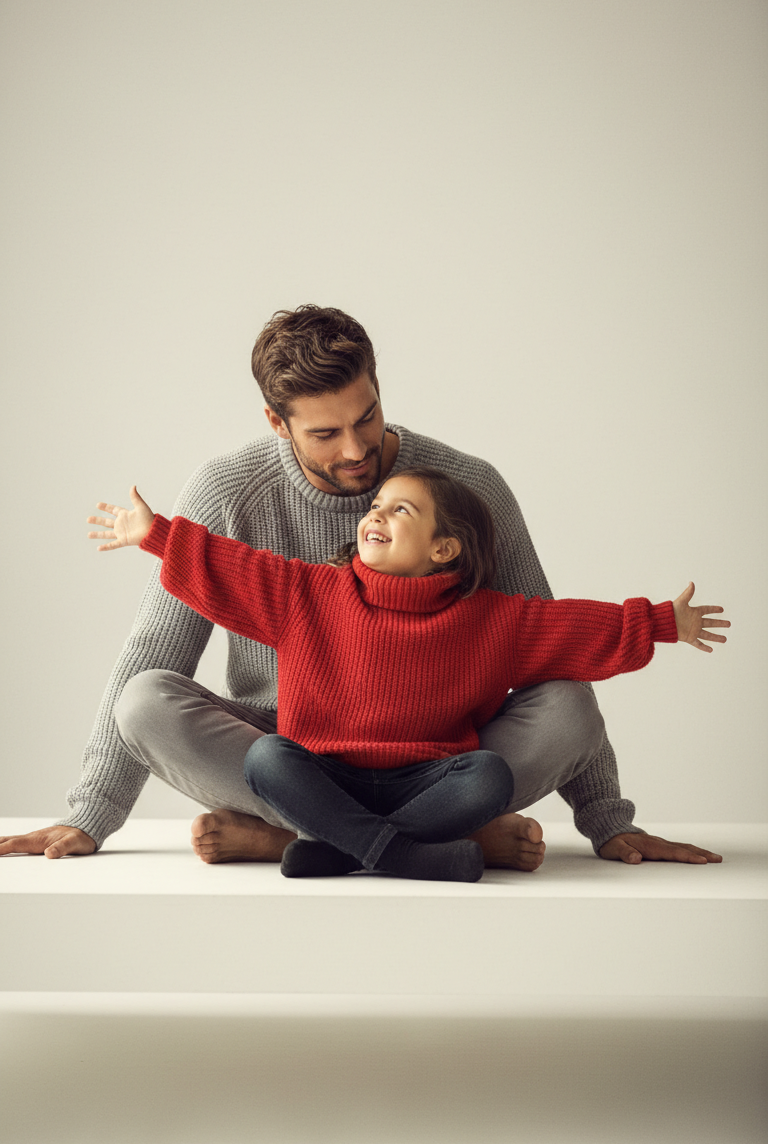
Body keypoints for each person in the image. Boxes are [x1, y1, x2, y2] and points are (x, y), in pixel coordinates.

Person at [0, 305, 724, 869]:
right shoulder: (228, 491)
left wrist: (609, 824)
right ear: (276, 423)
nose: (356, 451)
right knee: (145, 700)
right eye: (324, 434)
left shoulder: (466, 490)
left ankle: (298, 843)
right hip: (288, 754)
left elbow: (555, 644)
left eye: (367, 417)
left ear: (379, 388)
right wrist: (90, 812)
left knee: (567, 704)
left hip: (440, 758)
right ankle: (421, 844)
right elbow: (155, 644)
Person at [81, 465, 728, 882]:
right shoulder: (307, 592)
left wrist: (662, 621)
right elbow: (230, 567)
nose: (376, 514)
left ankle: (335, 846)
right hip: (320, 770)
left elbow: (582, 630)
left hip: (430, 778)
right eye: (379, 505)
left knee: (490, 772)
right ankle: (403, 854)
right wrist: (157, 534)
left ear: (444, 549)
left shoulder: (491, 619)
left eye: (401, 512)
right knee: (269, 759)